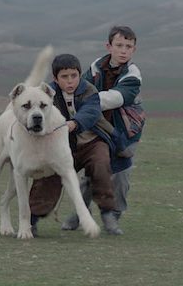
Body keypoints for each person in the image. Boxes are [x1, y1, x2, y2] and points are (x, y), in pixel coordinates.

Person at [29, 53, 132, 236]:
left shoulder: (89, 90)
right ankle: (33, 219)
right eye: (64, 77)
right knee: (47, 176)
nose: (70, 81)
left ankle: (108, 214)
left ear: (79, 75)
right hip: (61, 146)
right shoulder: (46, 95)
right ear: (55, 78)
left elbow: (91, 112)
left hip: (91, 142)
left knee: (101, 165)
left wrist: (74, 123)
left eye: (74, 76)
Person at [61, 25, 145, 233]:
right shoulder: (97, 67)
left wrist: (83, 101)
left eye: (128, 46)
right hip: (99, 129)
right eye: (119, 45)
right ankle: (81, 214)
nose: (123, 50)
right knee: (92, 171)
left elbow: (116, 98)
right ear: (109, 46)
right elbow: (81, 86)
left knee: (120, 174)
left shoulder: (133, 75)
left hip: (125, 131)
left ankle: (114, 216)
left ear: (134, 49)